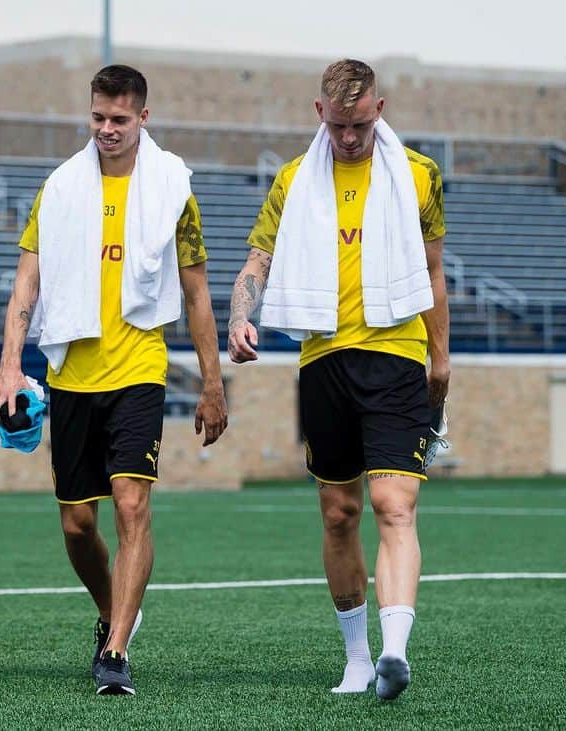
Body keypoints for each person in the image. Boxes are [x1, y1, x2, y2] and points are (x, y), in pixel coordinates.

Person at [0, 64, 228, 696]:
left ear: (142, 118)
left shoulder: (173, 189)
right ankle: (110, 609)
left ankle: (117, 651)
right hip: (71, 374)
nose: (106, 129)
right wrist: (11, 365)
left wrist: (212, 383)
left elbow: (198, 291)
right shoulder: (60, 188)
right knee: (77, 523)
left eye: (119, 119)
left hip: (138, 370)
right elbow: (27, 281)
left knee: (131, 502)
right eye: (98, 117)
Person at [228, 59, 449, 701]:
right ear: (317, 112)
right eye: (339, 125)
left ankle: (395, 652)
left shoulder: (417, 175)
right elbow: (257, 261)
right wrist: (243, 315)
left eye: (360, 124)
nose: (350, 138)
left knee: (392, 505)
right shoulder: (294, 180)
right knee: (338, 513)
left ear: (379, 108)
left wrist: (441, 357)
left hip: (397, 354)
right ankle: (356, 657)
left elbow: (433, 272)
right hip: (322, 359)